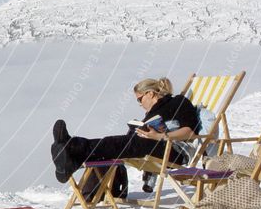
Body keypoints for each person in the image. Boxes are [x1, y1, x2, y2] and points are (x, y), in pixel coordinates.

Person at [51, 77, 199, 186]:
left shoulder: (178, 101)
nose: (139, 104)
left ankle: (71, 147)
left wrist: (160, 136)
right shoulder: (152, 112)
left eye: (139, 99)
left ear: (150, 94)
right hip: (152, 145)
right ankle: (71, 159)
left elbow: (190, 132)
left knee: (114, 143)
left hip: (174, 151)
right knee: (112, 145)